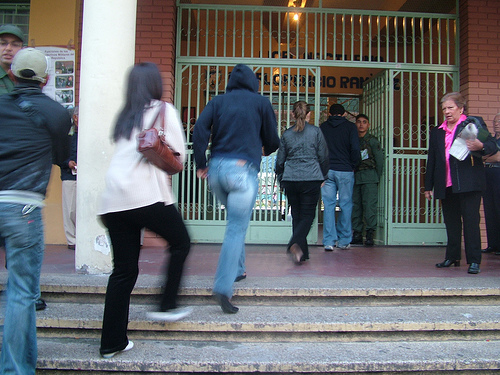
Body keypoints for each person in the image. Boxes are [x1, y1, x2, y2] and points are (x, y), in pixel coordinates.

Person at [98, 63, 192, 358]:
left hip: (112, 202)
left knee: (123, 272)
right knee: (181, 243)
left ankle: (112, 342)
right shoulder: (163, 110)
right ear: (154, 84)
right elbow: (179, 153)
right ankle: (166, 305)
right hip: (144, 197)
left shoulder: (125, 115)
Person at [0, 48, 72, 374]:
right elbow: (59, 155)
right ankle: (15, 369)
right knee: (21, 292)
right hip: (22, 206)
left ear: (11, 74)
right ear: (45, 79)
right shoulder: (57, 113)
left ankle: (21, 365)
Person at [193, 64, 279, 314]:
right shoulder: (260, 103)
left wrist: (200, 164)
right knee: (235, 228)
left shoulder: (217, 101)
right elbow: (273, 139)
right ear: (253, 81)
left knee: (234, 223)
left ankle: (239, 269)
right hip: (242, 172)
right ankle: (223, 286)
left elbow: (199, 129)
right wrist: (265, 149)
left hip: (217, 172)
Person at [424, 92, 497, 274]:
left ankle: (474, 261)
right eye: (444, 109)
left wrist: (480, 147)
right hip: (446, 183)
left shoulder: (472, 124)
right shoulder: (438, 131)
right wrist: (428, 186)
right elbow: (431, 159)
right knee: (451, 222)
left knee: (471, 221)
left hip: (469, 182)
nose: (447, 112)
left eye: (450, 108)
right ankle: (452, 256)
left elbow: (492, 145)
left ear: (461, 108)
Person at [275, 101, 329, 263]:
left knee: (297, 215)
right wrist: (323, 176)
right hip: (311, 177)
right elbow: (324, 156)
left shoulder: (286, 134)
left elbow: (280, 161)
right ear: (309, 115)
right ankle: (294, 243)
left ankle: (302, 254)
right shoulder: (316, 132)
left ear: (292, 115)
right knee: (308, 216)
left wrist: (281, 177)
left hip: (291, 179)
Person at [320, 104, 360, 250]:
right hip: (345, 170)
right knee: (345, 204)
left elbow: (319, 149)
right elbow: (355, 148)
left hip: (328, 170)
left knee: (329, 205)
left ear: (330, 114)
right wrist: (353, 165)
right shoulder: (350, 127)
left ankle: (329, 241)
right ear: (343, 114)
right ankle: (344, 240)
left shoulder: (323, 127)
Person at [351, 114, 384, 247]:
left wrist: (377, 176)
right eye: (359, 122)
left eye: (364, 122)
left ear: (368, 125)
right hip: (356, 175)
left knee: (369, 206)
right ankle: (357, 233)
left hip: (370, 176)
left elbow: (379, 161)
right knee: (356, 206)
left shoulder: (372, 141)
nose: (361, 125)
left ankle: (370, 234)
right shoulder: (353, 140)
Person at [481, 113, 500, 255]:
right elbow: (481, 154)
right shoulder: (491, 140)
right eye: (495, 121)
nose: (497, 123)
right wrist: (488, 158)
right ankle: (492, 244)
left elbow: (498, 157)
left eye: (499, 121)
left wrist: (486, 159)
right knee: (489, 208)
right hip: (487, 175)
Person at [60, 106, 78, 250]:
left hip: (86, 176)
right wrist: (68, 163)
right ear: (75, 118)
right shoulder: (65, 134)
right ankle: (72, 240)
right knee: (70, 210)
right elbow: (58, 155)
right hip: (69, 176)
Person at [0, 24, 24, 95]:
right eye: (3, 43)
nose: (8, 48)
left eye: (15, 44)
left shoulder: (26, 76)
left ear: (22, 49)